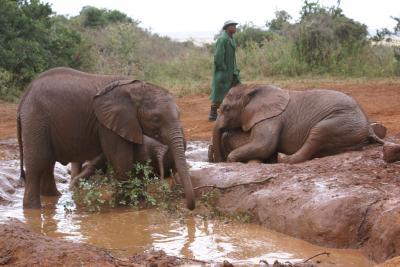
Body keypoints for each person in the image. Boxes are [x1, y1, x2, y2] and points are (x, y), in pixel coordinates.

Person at [208, 20, 241, 121]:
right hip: (224, 72)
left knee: (238, 89)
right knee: (220, 92)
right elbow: (218, 57)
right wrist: (223, 68)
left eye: (235, 26)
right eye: (232, 26)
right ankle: (213, 114)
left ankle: (234, 111)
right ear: (227, 28)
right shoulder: (223, 39)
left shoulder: (230, 39)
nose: (235, 27)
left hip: (232, 72)